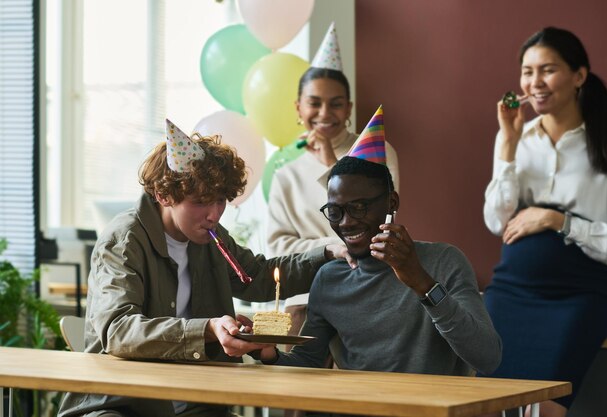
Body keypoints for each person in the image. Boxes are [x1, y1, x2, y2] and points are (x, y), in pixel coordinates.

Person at [58, 119, 348, 417]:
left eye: (221, 200)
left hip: (192, 404)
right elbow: (119, 330)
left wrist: (327, 254)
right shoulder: (124, 240)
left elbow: (257, 277)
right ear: (163, 195)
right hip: (122, 404)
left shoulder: (210, 237)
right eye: (200, 202)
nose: (214, 214)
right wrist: (207, 329)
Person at [258, 112, 502, 417]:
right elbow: (307, 364)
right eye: (335, 211)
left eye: (359, 207)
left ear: (392, 203)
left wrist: (420, 281)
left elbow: (488, 356)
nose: (346, 223)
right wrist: (267, 354)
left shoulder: (444, 261)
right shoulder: (330, 279)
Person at [482, 27, 607, 417]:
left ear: (579, 76)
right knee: (485, 402)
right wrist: (508, 146)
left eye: (548, 70)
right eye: (527, 72)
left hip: (577, 297)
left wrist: (558, 220)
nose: (535, 82)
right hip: (510, 291)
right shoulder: (515, 138)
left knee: (543, 408)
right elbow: (497, 220)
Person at [266, 22, 400, 348]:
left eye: (336, 103)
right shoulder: (286, 173)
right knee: (297, 388)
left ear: (350, 109)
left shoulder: (377, 150)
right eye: (314, 103)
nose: (325, 113)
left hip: (368, 292)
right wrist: (333, 247)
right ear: (299, 108)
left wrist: (329, 160)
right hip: (304, 300)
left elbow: (381, 226)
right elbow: (276, 250)